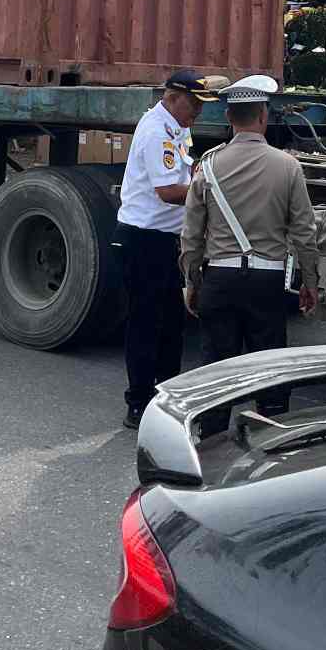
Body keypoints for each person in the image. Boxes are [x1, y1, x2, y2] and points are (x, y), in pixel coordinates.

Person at [181, 74, 317, 395]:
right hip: (266, 284)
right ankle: (267, 432)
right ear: (264, 116)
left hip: (219, 280)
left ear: (228, 117)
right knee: (269, 375)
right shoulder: (288, 166)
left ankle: (211, 440)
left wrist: (191, 281)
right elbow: (304, 232)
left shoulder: (208, 165)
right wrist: (310, 282)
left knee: (216, 378)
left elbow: (191, 234)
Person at [115, 69, 208, 430]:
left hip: (168, 237)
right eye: (194, 102)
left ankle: (166, 399)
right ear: (172, 97)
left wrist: (198, 178)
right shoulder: (156, 131)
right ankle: (138, 402)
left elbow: (183, 174)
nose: (198, 110)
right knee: (145, 324)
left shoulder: (177, 127)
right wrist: (210, 186)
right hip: (144, 238)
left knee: (172, 324)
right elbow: (169, 192)